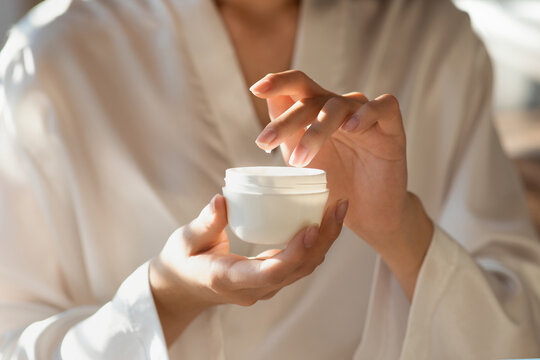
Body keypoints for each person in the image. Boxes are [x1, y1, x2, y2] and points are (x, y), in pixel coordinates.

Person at [0, 0, 539, 358]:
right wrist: (164, 298)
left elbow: (517, 332)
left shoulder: (430, 36)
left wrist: (399, 226)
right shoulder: (49, 63)